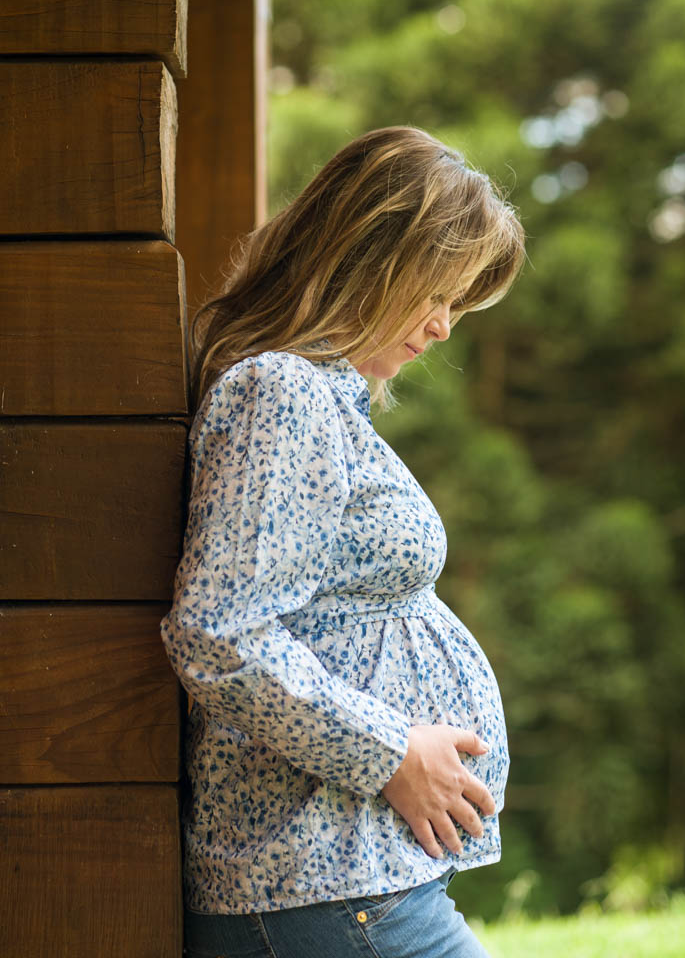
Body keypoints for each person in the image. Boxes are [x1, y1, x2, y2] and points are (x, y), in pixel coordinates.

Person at [160, 126, 526, 958]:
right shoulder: (280, 391)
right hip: (319, 882)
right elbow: (220, 633)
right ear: (371, 257)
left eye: (458, 305)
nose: (444, 328)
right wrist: (391, 752)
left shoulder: (316, 396)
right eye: (437, 294)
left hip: (344, 878)